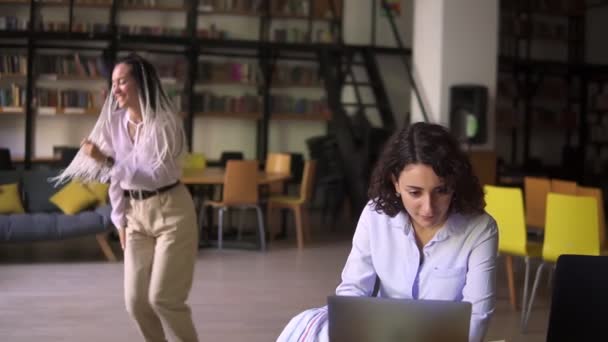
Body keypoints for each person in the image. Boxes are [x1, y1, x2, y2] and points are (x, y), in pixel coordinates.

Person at [277, 122, 498, 342]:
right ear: (395, 183)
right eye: (415, 192)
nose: (428, 208)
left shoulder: (480, 229)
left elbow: (477, 316)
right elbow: (353, 291)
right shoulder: (376, 216)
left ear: (455, 183)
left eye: (441, 191)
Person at [53, 53, 199, 342]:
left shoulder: (166, 123)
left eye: (122, 81)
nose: (115, 89)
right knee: (135, 302)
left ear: (141, 83)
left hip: (172, 212)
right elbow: (115, 180)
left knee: (163, 299)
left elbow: (151, 175)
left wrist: (105, 161)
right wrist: (119, 221)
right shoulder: (114, 124)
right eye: (113, 82)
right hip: (135, 216)